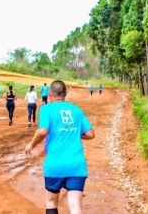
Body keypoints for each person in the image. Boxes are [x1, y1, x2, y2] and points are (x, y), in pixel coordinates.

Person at [25, 80, 95, 214]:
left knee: (51, 201)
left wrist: (31, 145)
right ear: (65, 94)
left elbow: (43, 131)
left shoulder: (46, 109)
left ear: (50, 93)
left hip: (55, 164)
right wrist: (73, 132)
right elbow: (90, 134)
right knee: (75, 207)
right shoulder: (77, 110)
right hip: (76, 165)